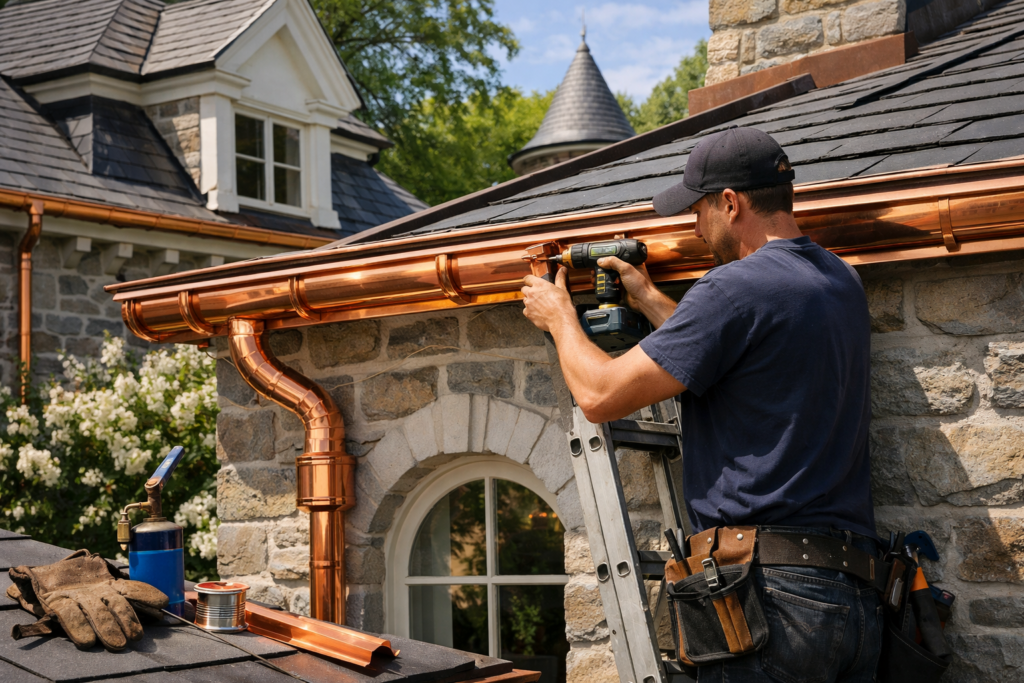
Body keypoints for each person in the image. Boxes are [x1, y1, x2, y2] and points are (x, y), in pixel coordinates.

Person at [521, 127, 881, 682]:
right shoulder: (839, 282)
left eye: (697, 208)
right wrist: (647, 297)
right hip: (855, 598)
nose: (692, 226)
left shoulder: (732, 287)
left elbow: (599, 395)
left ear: (731, 203)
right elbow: (735, 353)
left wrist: (558, 316)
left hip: (770, 604)